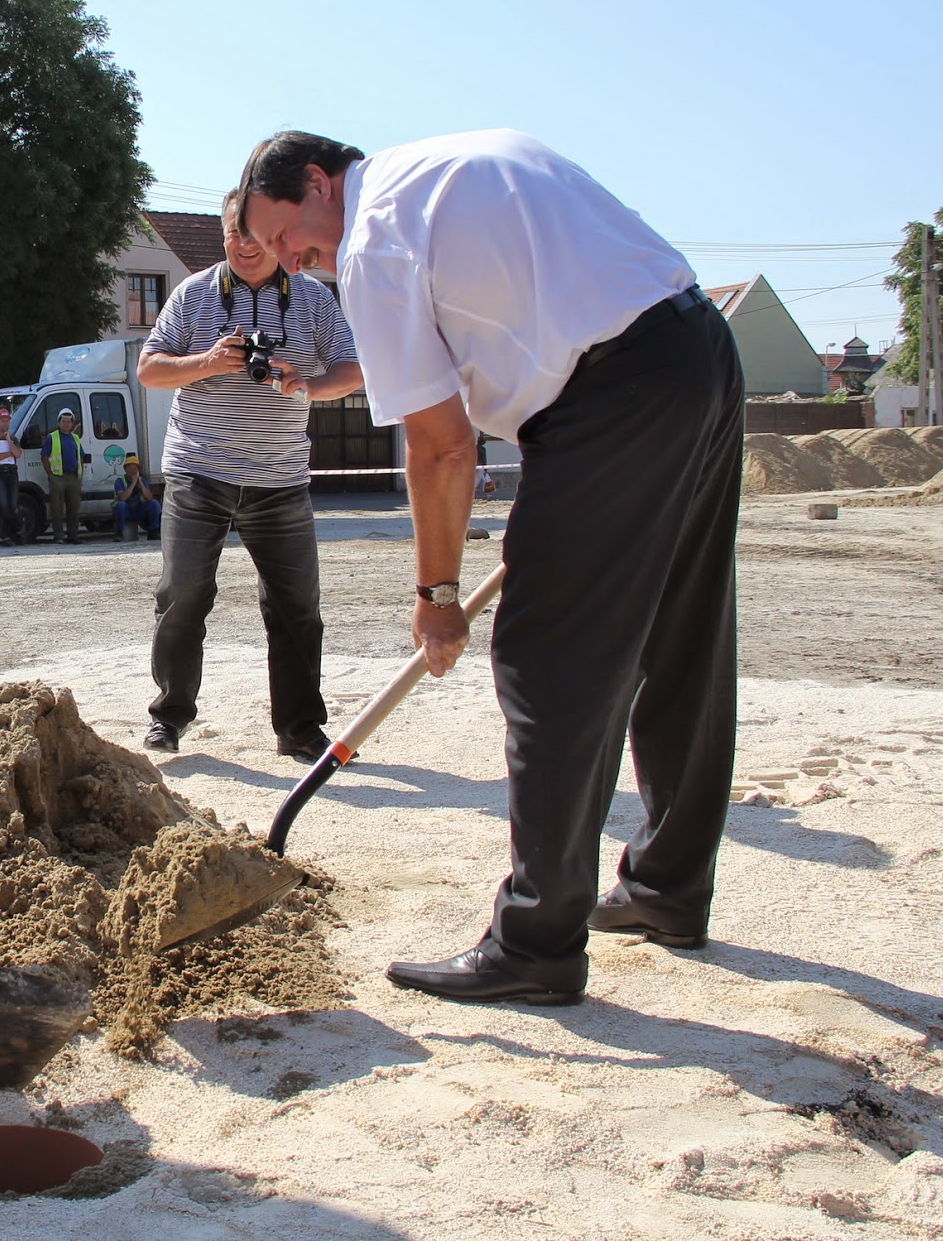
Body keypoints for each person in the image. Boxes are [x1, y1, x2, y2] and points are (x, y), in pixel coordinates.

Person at [238, 127, 743, 1007]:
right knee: (682, 632)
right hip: (697, 350)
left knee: (546, 657)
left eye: (283, 234)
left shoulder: (374, 240)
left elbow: (441, 447)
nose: (290, 259)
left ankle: (536, 943)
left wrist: (437, 596)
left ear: (318, 182)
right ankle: (668, 886)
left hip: (609, 396)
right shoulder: (461, 159)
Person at [137, 190, 362, 764]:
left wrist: (306, 382)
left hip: (280, 477)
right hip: (198, 472)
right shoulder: (192, 294)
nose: (242, 242)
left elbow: (353, 368)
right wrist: (208, 362)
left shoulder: (311, 297)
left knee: (296, 606)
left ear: (271, 232)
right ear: (223, 234)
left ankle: (300, 730)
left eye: (252, 231)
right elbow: (149, 369)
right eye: (232, 230)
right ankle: (168, 717)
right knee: (181, 595)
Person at [42, 407, 85, 543]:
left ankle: (73, 535)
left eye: (69, 421)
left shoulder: (75, 438)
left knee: (74, 509)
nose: (66, 424)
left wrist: (80, 474)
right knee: (57, 509)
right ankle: (59, 536)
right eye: (64, 421)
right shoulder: (52, 437)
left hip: (73, 477)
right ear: (59, 422)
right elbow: (44, 456)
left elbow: (81, 456)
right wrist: (50, 474)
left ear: (72, 423)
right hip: (57, 477)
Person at [0, 406, 22, 544]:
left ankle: (15, 533)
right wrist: (8, 454)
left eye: (7, 421)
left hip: (12, 473)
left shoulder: (13, 439)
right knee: (3, 504)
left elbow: (18, 454)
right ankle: (8, 533)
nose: (5, 423)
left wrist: (8, 440)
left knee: (13, 504)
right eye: (2, 421)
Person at [114, 456, 160, 540]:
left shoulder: (142, 480)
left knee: (155, 503)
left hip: (138, 510)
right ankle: (119, 532)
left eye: (135, 468)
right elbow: (123, 497)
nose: (133, 471)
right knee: (121, 505)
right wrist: (133, 483)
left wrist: (141, 484)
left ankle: (154, 530)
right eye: (130, 469)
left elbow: (149, 497)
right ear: (125, 469)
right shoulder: (120, 481)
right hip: (126, 512)